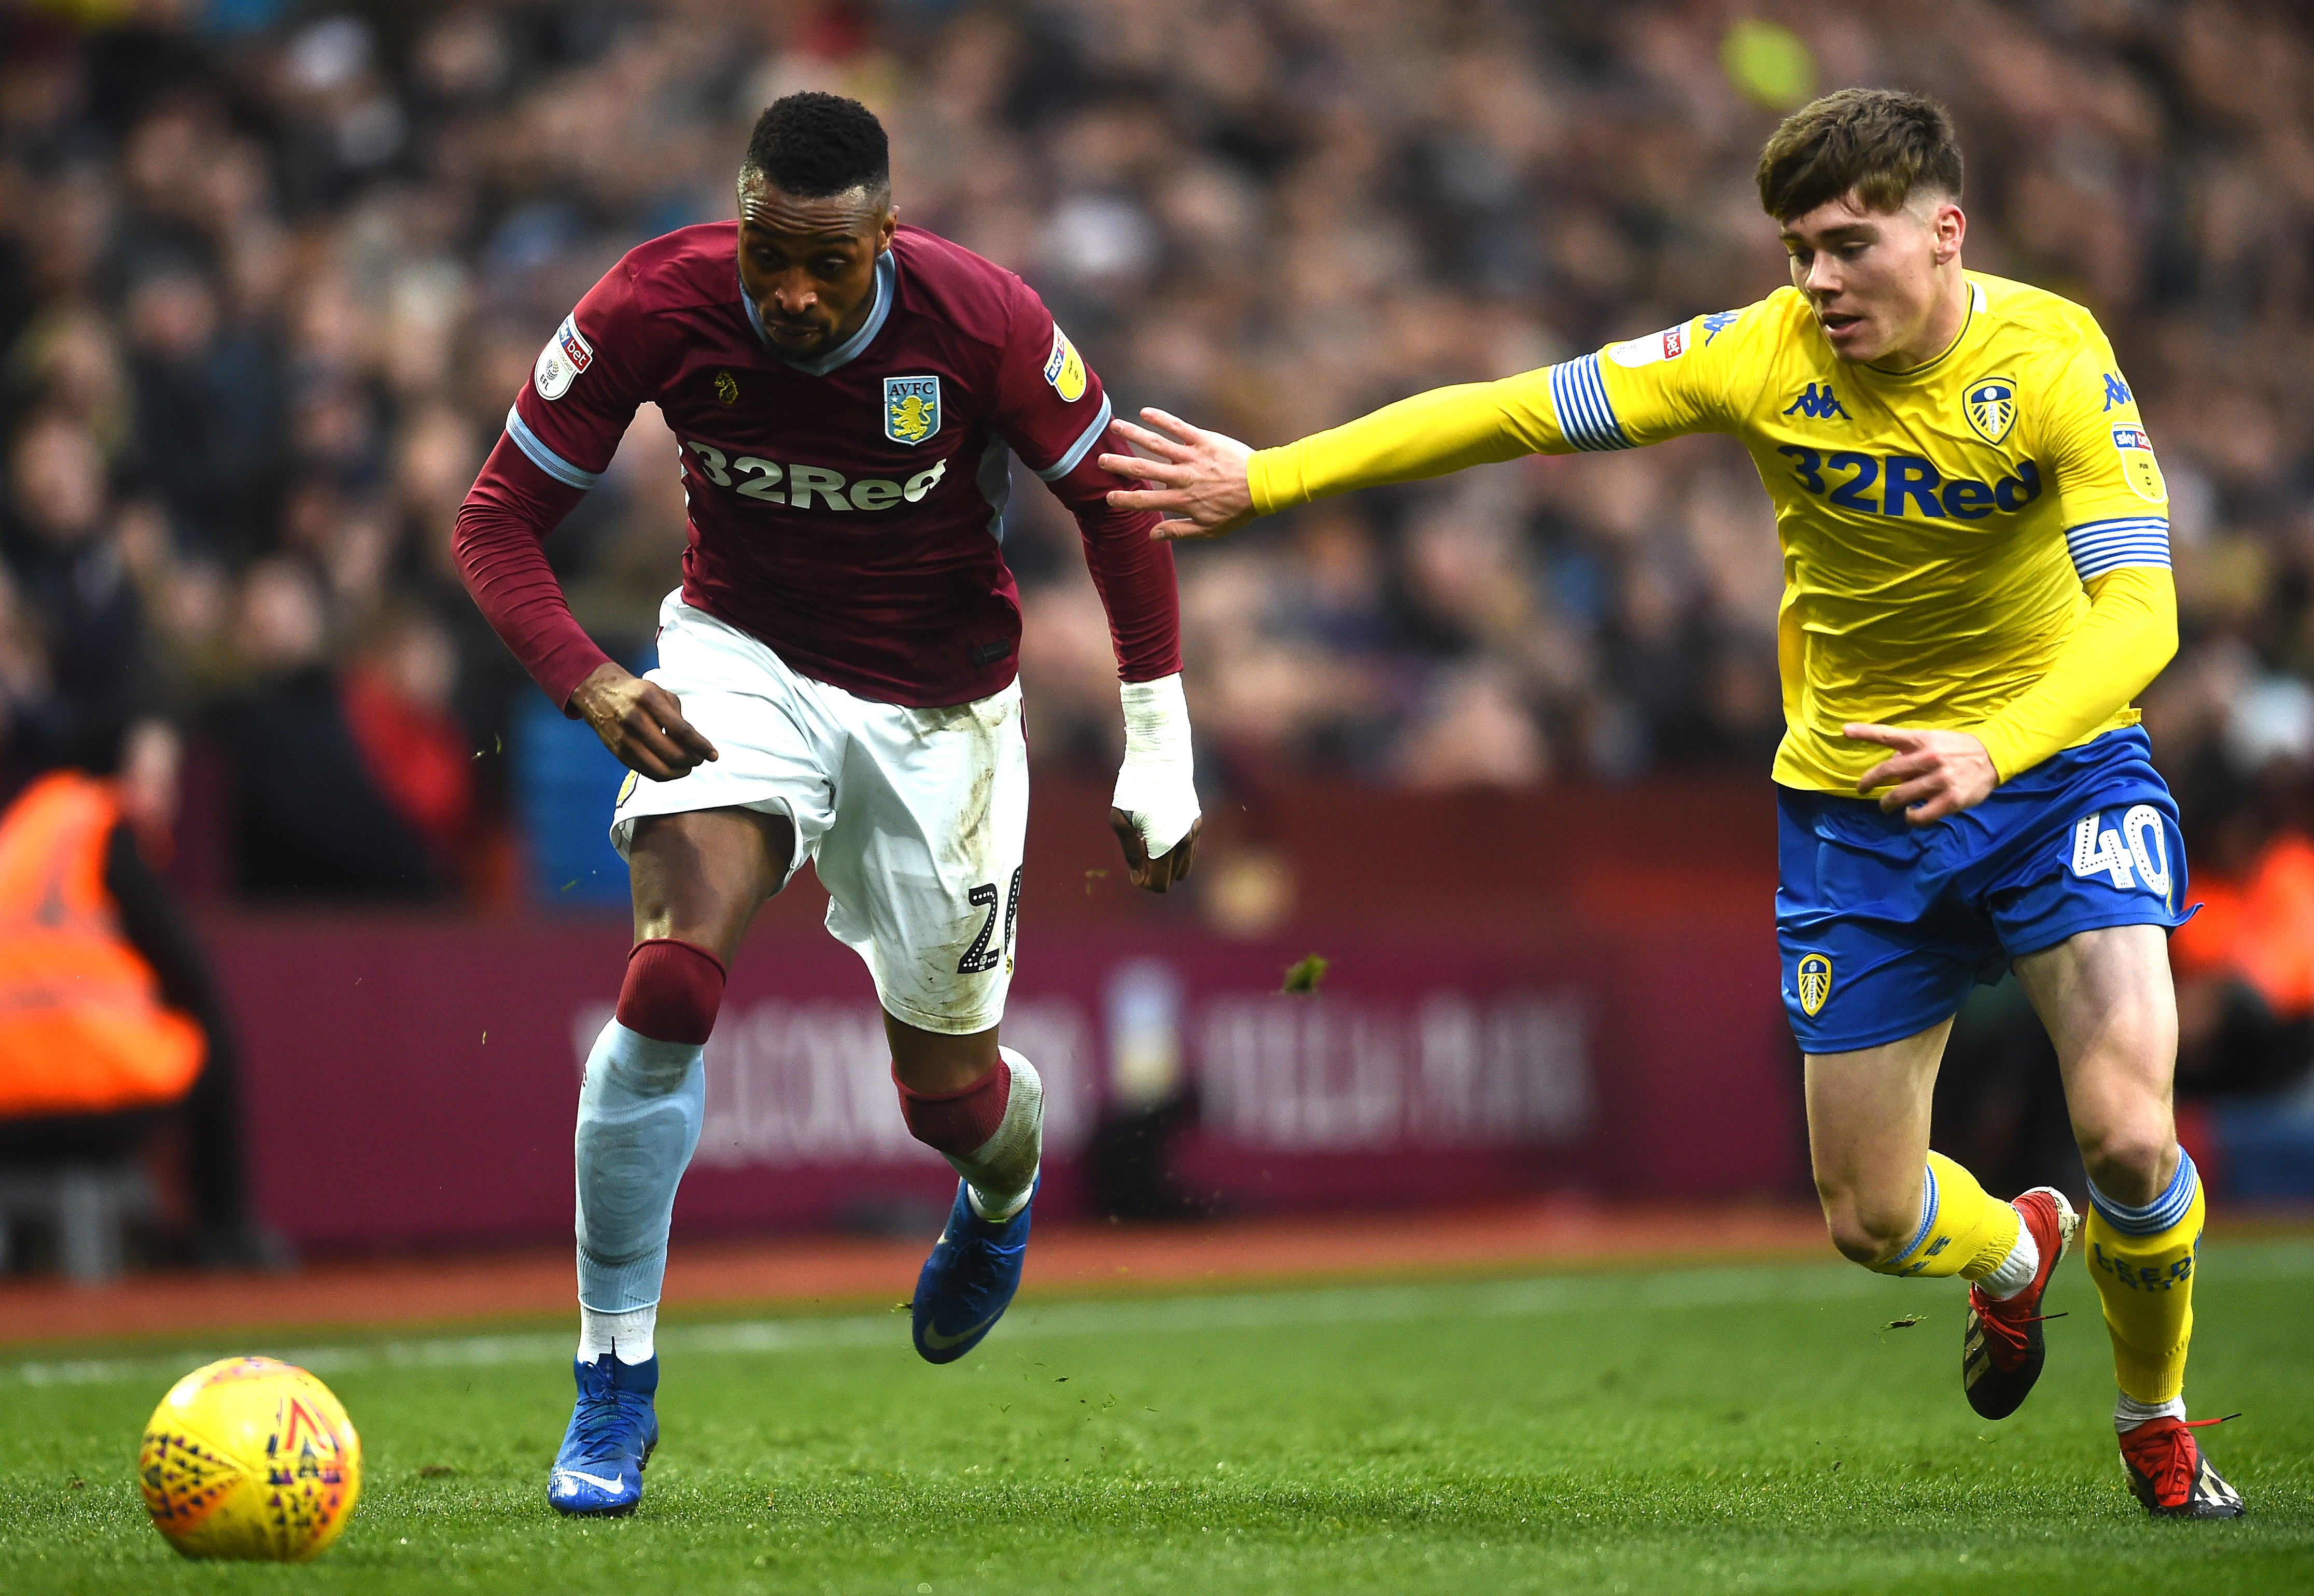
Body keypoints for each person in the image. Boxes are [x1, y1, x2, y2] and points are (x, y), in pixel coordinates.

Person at [1103, 89, 2239, 1519]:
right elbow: (1517, 409)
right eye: (1794, 252)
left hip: (2056, 774)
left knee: (2133, 1131)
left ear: (1945, 233)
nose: (1816, 281)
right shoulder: (1754, 356)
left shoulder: (2060, 359)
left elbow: (2140, 619)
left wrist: (1999, 750)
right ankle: (2010, 1256)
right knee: (1873, 1218)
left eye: (1846, 244)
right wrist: (1275, 474)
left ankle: (2158, 1424)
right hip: (1857, 808)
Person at [452, 92, 1198, 1517]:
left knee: (954, 1103)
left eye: (826, 265)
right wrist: (593, 680)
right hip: (744, 661)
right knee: (669, 984)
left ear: (885, 240)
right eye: (766, 254)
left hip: (943, 716)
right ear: (738, 219)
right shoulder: (654, 305)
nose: (789, 292)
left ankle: (998, 1196)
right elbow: (493, 521)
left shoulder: (980, 321)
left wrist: (1157, 738)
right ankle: (614, 1377)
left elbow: (1114, 504)